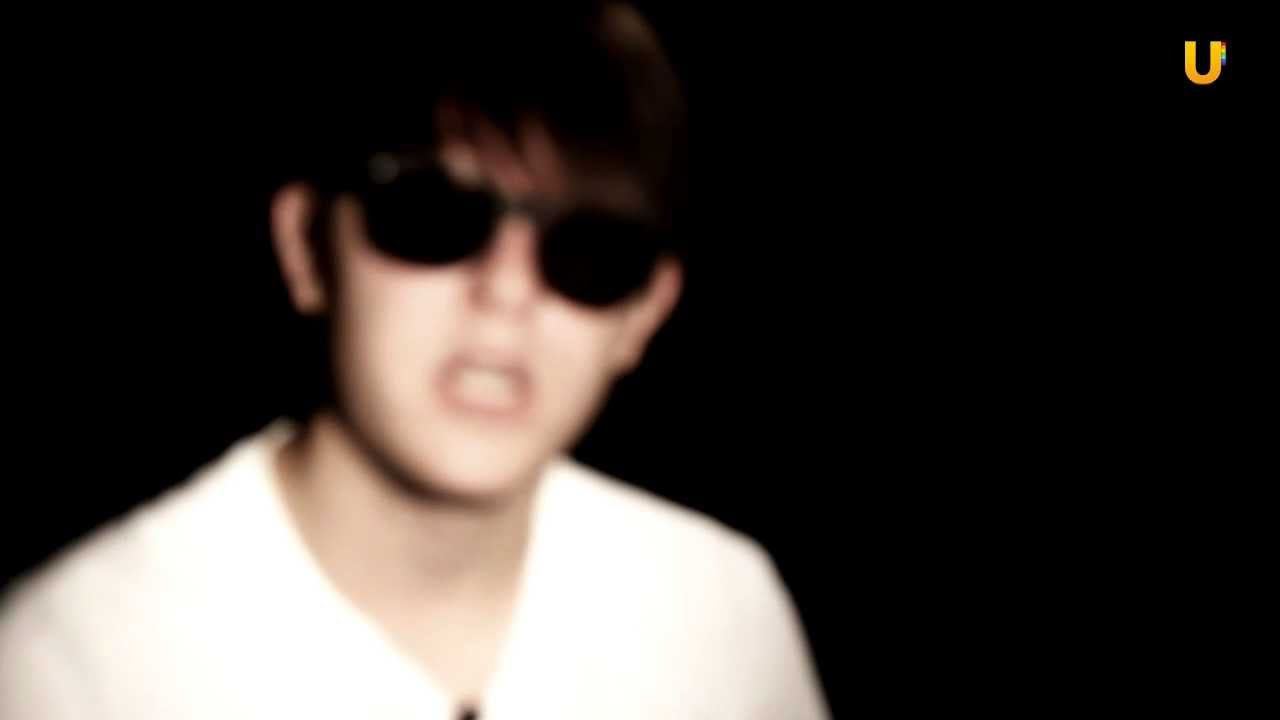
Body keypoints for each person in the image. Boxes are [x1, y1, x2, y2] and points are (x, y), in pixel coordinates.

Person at [0, 4, 829, 718]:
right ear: (306, 246)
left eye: (591, 251)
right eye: (430, 213)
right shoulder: (66, 670)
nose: (507, 291)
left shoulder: (722, 612)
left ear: (646, 310)